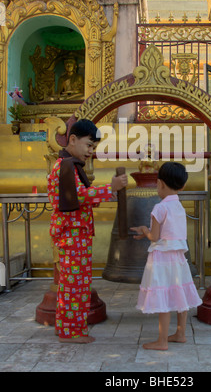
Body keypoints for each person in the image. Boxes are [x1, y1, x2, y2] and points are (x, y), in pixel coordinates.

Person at [48, 119, 127, 344]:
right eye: (89, 145)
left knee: (75, 284)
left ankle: (67, 328)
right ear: (72, 140)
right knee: (74, 285)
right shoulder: (65, 166)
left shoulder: (69, 165)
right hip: (72, 235)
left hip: (77, 235)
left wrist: (102, 195)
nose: (91, 152)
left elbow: (75, 199)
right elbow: (78, 197)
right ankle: (70, 332)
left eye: (94, 147)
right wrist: (110, 187)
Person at [131, 162, 202, 351]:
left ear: (160, 183)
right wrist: (146, 232)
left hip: (162, 259)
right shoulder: (179, 206)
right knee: (179, 293)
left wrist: (144, 230)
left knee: (163, 296)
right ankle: (180, 333)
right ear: (183, 186)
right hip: (178, 258)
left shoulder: (159, 208)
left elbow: (154, 237)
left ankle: (162, 341)